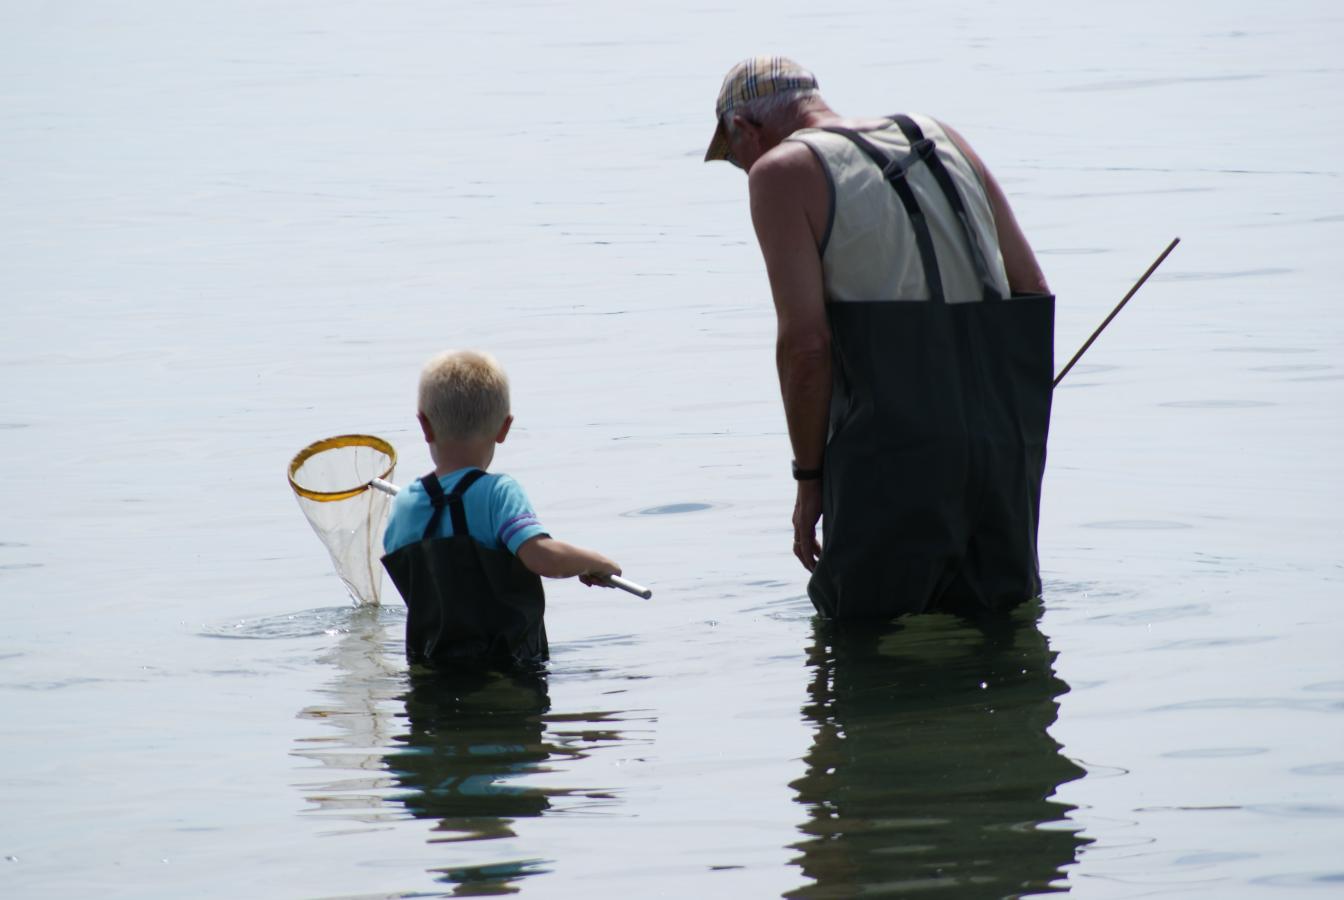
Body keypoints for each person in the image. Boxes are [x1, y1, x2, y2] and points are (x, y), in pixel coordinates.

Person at [705, 57, 1056, 621]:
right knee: (1000, 628)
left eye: (735, 157)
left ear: (745, 128)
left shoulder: (780, 173)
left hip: (893, 454)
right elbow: (1031, 287)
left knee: (863, 645)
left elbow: (807, 346)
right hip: (1003, 443)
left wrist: (809, 480)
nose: (745, 170)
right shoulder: (940, 134)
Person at [381, 350, 621, 668]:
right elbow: (543, 557)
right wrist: (595, 562)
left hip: (431, 672)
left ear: (424, 425)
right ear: (504, 428)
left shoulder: (404, 506)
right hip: (510, 670)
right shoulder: (498, 493)